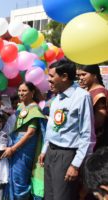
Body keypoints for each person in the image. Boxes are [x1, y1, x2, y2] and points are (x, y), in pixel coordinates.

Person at [38, 60, 94, 200]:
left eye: (51, 76)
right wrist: (45, 149)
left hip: (67, 156)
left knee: (62, 196)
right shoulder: (56, 98)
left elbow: (87, 134)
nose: (48, 79)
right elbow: (52, 128)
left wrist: (75, 165)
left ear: (64, 76)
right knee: (49, 196)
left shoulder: (82, 97)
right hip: (51, 153)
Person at [2, 82, 46, 200]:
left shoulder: (35, 109)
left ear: (32, 93)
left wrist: (14, 148)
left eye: (24, 91)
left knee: (20, 178)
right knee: (12, 176)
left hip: (25, 147)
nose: (21, 93)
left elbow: (30, 132)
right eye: (19, 90)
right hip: (15, 143)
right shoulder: (21, 106)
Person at [77, 65, 108, 149]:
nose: (81, 78)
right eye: (79, 75)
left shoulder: (100, 93)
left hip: (95, 141)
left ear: (94, 75)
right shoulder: (86, 91)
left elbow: (99, 121)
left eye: (84, 74)